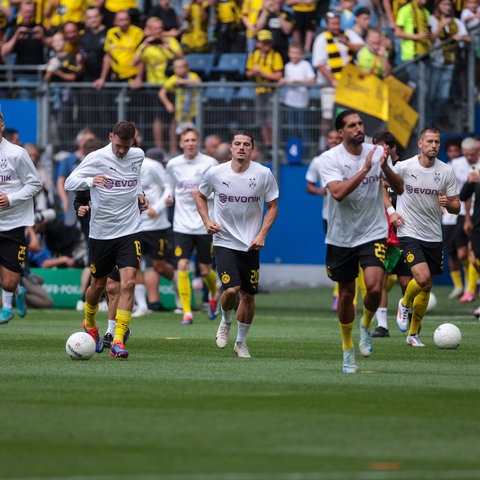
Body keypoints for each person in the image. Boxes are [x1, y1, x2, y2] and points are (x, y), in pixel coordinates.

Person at [317, 109, 403, 373]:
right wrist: (366, 168)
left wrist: (384, 164)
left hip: (373, 231)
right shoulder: (329, 159)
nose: (358, 128)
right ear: (341, 132)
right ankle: (347, 349)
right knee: (346, 294)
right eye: (352, 125)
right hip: (341, 235)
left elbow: (399, 188)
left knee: (375, 288)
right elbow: (339, 193)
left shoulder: (376, 152)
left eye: (360, 123)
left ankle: (366, 325)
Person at [64, 121, 147, 359]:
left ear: (133, 143)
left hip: (130, 230)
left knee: (128, 283)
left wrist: (141, 194)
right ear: (110, 137)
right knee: (98, 286)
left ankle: (118, 340)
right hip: (101, 233)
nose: (122, 151)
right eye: (118, 145)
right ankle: (89, 321)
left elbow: (135, 177)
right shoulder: (96, 158)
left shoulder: (138, 155)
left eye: (126, 146)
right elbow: (70, 182)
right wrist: (91, 181)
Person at [196, 130, 279, 358]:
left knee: (248, 296)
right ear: (231, 148)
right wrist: (207, 221)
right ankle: (225, 320)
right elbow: (200, 195)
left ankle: (241, 342)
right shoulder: (215, 173)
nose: (241, 147)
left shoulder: (263, 174)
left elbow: (273, 206)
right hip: (224, 240)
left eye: (246, 144)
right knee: (231, 289)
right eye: (237, 144)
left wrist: (262, 234)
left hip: (251, 244)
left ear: (252, 149)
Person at [395, 127, 460, 346]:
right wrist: (391, 212)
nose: (434, 145)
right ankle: (404, 303)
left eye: (437, 142)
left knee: (427, 286)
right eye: (430, 141)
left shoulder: (446, 171)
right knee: (421, 279)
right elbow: (383, 188)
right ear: (420, 144)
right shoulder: (404, 167)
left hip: (433, 235)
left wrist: (448, 203)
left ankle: (413, 335)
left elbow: (456, 206)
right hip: (408, 232)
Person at [164, 127, 219, 325]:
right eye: (186, 140)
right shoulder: (173, 164)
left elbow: (219, 191)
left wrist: (203, 195)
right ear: (180, 143)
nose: (190, 143)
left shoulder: (209, 163)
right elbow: (168, 185)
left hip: (204, 223)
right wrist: (167, 197)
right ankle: (187, 311)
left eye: (193, 139)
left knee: (205, 269)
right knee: (182, 266)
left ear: (198, 142)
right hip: (181, 225)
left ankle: (213, 292)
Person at [0, 111, 42, 323]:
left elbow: (35, 184)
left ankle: (16, 292)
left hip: (13, 224)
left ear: (2, 126)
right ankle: (6, 308)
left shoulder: (17, 154)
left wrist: (11, 198)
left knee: (8, 282)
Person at [311, 11, 353, 152]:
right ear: (327, 24)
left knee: (345, 116)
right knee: (328, 116)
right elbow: (320, 63)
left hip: (347, 86)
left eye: (338, 23)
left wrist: (348, 43)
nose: (336, 26)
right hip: (330, 85)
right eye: (333, 23)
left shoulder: (347, 35)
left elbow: (361, 47)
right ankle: (323, 146)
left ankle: (345, 146)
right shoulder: (321, 39)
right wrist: (333, 80)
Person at [245, 29, 284, 157]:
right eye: (264, 42)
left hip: (272, 93)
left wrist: (262, 73)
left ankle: (274, 146)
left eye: (268, 42)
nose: (267, 45)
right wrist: (254, 72)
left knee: (272, 121)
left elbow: (278, 75)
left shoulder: (275, 55)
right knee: (262, 122)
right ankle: (268, 146)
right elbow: (248, 73)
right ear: (258, 43)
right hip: (259, 92)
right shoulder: (253, 55)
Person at [158, 58, 201, 148]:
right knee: (175, 130)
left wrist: (183, 82)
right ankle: (173, 150)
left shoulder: (192, 76)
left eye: (181, 67)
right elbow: (162, 93)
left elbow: (198, 82)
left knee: (193, 132)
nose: (179, 70)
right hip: (179, 112)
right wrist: (168, 104)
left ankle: (196, 149)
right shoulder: (173, 79)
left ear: (187, 68)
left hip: (192, 111)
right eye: (176, 68)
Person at [280, 41, 316, 143]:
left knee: (302, 128)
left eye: (297, 53)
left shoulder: (305, 65)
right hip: (289, 102)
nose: (295, 55)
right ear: (289, 53)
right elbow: (287, 80)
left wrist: (299, 82)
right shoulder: (287, 66)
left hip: (302, 103)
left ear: (301, 54)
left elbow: (313, 80)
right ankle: (293, 154)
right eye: (292, 52)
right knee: (291, 129)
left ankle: (305, 153)